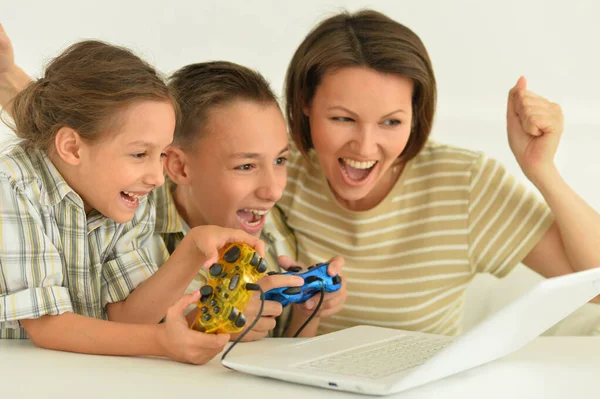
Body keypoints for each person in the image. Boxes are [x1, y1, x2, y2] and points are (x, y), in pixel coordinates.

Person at [269, 9, 600, 336]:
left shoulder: (464, 185)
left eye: (391, 122)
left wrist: (542, 170)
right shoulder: (275, 170)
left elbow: (596, 289)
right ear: (304, 103)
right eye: (343, 119)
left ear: (415, 115)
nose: (366, 148)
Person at [0, 38, 264, 365]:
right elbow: (48, 327)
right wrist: (162, 341)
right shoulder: (14, 184)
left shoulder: (127, 195)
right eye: (140, 154)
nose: (156, 176)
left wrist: (192, 249)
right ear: (72, 147)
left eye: (161, 154)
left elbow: (127, 318)